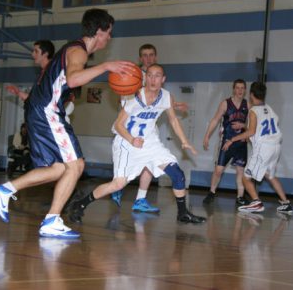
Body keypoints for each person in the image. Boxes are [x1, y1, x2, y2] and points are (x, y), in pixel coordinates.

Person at [0, 8, 137, 239]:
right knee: (76, 166)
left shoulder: (72, 49)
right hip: (47, 111)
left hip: (41, 110)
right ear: (99, 31)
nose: (109, 38)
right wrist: (106, 67)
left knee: (59, 168)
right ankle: (51, 219)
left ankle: (6, 190)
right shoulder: (78, 51)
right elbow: (74, 78)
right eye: (109, 33)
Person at [67, 63, 206, 224]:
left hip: (150, 142)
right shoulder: (134, 96)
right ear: (145, 77)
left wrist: (185, 141)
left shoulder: (167, 97)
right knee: (118, 184)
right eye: (150, 75)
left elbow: (173, 120)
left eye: (157, 76)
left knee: (178, 175)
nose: (153, 79)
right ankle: (80, 204)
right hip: (126, 142)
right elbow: (118, 125)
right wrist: (132, 139)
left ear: (163, 79)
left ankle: (183, 213)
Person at [110, 44, 188, 213]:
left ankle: (140, 199)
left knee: (151, 162)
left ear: (156, 57)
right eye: (144, 55)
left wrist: (174, 105)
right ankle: (118, 186)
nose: (148, 58)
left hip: (148, 128)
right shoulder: (134, 76)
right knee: (126, 165)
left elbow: (160, 100)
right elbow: (123, 98)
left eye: (151, 55)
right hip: (130, 127)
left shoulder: (156, 75)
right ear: (140, 58)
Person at [222, 81, 293, 214]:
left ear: (251, 94)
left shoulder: (253, 111)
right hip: (276, 147)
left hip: (264, 148)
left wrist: (232, 139)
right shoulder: (269, 108)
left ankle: (256, 202)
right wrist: (245, 129)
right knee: (270, 175)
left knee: (246, 177)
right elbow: (265, 127)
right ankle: (286, 203)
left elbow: (252, 132)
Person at [202, 79, 248, 206]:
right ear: (233, 89)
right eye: (237, 88)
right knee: (218, 170)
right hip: (227, 141)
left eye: (242, 88)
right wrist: (207, 136)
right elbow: (215, 120)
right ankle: (211, 192)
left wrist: (243, 124)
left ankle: (240, 197)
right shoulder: (225, 103)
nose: (239, 90)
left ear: (245, 90)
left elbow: (252, 125)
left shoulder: (247, 105)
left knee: (240, 171)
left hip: (241, 143)